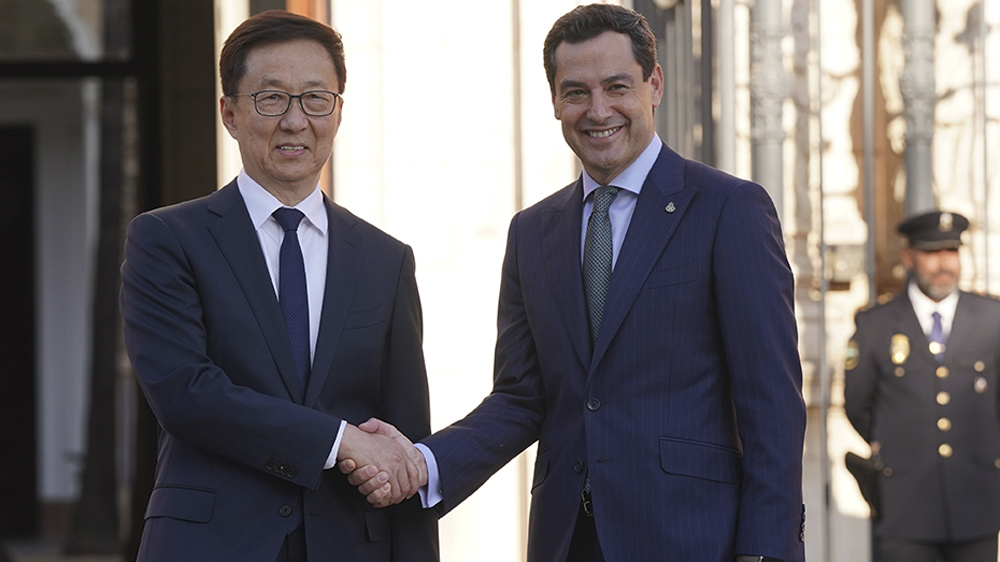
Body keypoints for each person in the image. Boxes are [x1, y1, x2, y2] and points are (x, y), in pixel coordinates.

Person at [341, 4, 806, 562]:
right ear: (555, 101)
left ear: (654, 85)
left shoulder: (730, 209)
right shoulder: (532, 231)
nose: (598, 109)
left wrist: (766, 552)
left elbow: (772, 405)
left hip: (693, 538)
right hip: (566, 540)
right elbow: (520, 398)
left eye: (617, 87)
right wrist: (425, 464)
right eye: (576, 91)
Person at [119, 10, 437, 562]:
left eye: (317, 98)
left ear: (339, 113)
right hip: (210, 544)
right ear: (230, 113)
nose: (296, 121)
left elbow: (401, 446)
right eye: (271, 99)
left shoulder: (386, 260)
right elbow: (187, 394)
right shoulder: (167, 239)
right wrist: (339, 441)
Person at [844, 210, 1000, 562]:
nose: (943, 263)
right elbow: (858, 402)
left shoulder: (992, 319)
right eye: (932, 253)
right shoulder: (876, 323)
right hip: (904, 505)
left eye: (951, 252)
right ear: (908, 257)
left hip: (977, 500)